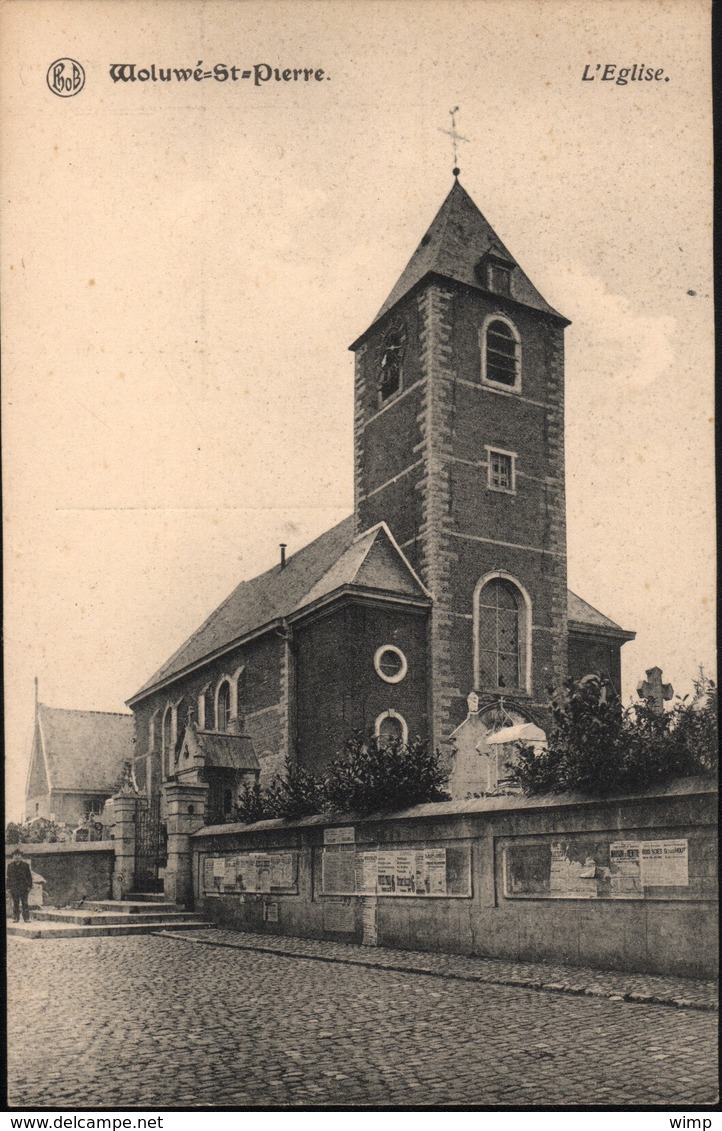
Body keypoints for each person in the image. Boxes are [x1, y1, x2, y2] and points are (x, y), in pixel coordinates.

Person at [6, 848, 33, 922]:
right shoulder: (10, 866)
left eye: (18, 855)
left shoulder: (25, 865)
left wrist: (29, 886)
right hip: (14, 888)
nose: (17, 857)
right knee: (15, 903)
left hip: (23, 888)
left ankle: (26, 918)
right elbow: (8, 878)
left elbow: (29, 876)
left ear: (21, 856)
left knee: (25, 903)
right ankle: (16, 918)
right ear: (13, 856)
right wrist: (8, 888)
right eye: (15, 855)